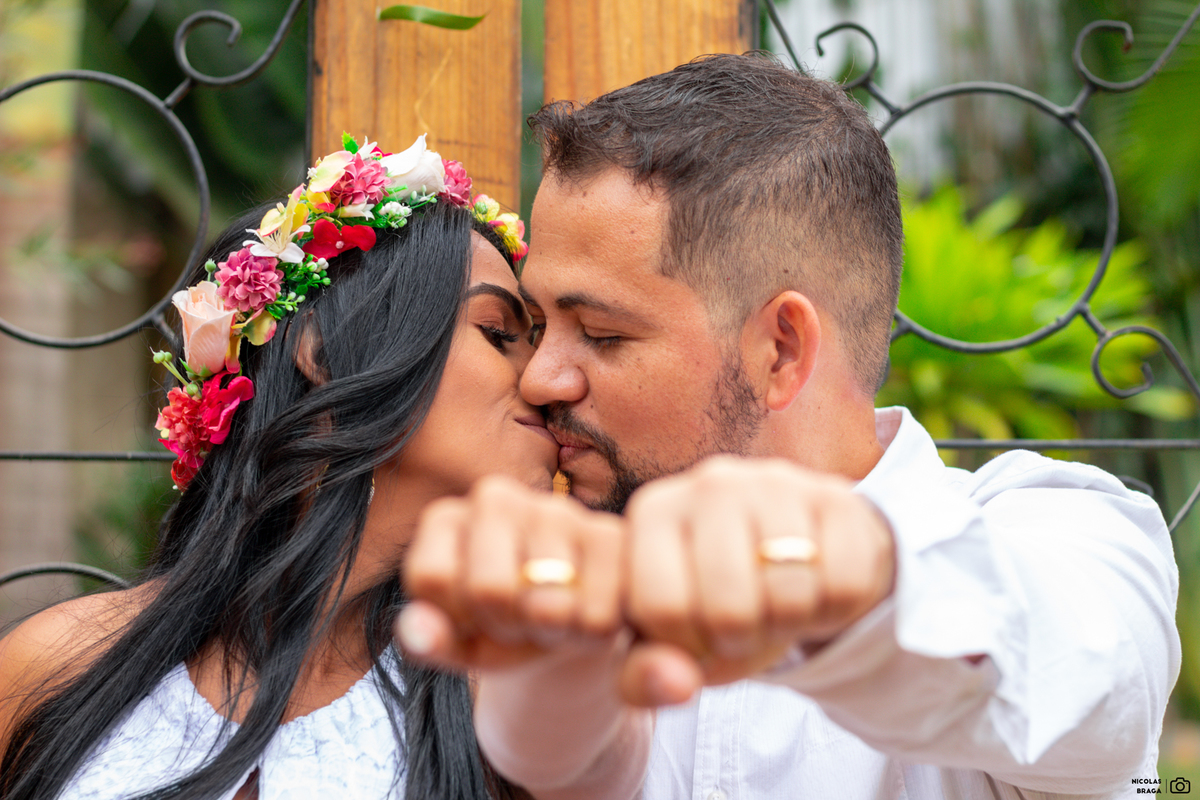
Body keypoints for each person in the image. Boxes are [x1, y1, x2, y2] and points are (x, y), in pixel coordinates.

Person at [397, 53, 1182, 799]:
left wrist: (860, 585)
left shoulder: (1075, 534)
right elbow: (575, 764)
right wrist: (552, 670)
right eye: (538, 323)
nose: (539, 378)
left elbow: (1088, 686)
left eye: (602, 334)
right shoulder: (602, 564)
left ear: (780, 349)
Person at [0, 134, 642, 800]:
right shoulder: (57, 667)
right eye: (499, 333)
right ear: (325, 351)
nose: (542, 379)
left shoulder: (517, 695)